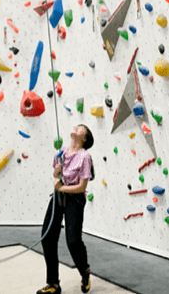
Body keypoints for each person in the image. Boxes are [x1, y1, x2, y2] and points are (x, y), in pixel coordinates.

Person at [37, 124, 95, 294]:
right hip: (59, 196)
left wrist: (62, 188)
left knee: (73, 242)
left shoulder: (85, 157)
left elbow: (82, 187)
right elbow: (56, 175)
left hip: (74, 199)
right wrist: (57, 170)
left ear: (84, 138)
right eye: (76, 126)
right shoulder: (61, 152)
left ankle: (85, 271)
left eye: (81, 128)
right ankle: (53, 284)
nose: (77, 128)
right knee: (47, 237)